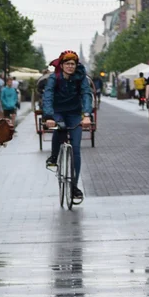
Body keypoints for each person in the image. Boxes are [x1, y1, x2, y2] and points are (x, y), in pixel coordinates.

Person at [42, 50, 93, 204]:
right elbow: (48, 96)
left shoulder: (80, 78)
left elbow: (86, 94)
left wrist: (86, 115)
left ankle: (74, 186)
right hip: (57, 112)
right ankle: (54, 154)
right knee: (60, 128)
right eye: (68, 64)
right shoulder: (54, 78)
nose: (71, 66)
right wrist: (49, 116)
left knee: (76, 149)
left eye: (73, 64)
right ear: (62, 65)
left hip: (75, 113)